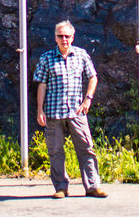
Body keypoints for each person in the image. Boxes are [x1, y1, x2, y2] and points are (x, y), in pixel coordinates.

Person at [34, 20, 108, 199]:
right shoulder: (46, 58)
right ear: (55, 38)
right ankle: (61, 187)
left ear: (73, 37)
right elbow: (42, 85)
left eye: (67, 36)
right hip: (53, 112)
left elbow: (93, 77)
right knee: (55, 151)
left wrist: (87, 99)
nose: (64, 39)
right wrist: (40, 110)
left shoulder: (81, 55)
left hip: (76, 112)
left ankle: (92, 186)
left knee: (86, 148)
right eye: (60, 36)